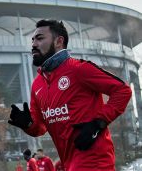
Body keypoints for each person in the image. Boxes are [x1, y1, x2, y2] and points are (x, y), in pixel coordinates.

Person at [8, 19, 132, 171]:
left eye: (40, 38)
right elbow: (40, 128)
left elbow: (122, 90)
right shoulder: (37, 84)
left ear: (59, 41)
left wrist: (98, 123)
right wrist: (27, 124)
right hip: (69, 163)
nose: (33, 44)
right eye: (33, 40)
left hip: (95, 162)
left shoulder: (79, 69)